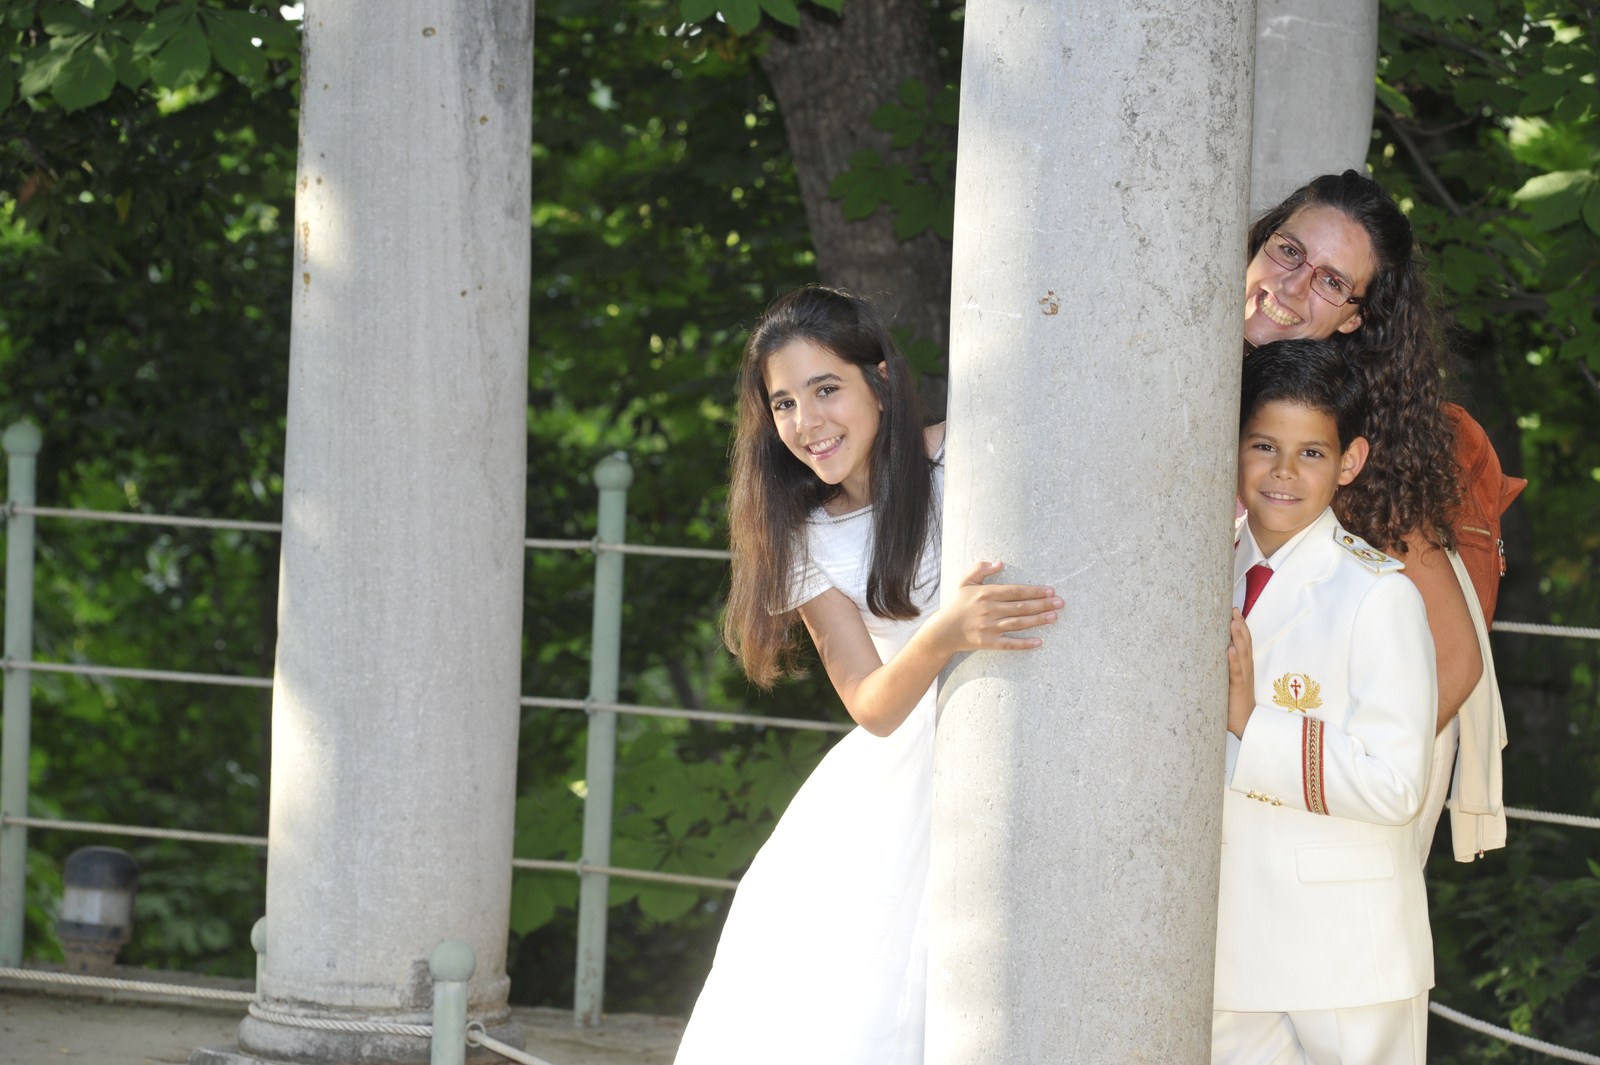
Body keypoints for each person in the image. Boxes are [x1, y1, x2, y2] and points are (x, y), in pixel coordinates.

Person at [673, 285, 1063, 1065]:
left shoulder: (966, 454)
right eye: (784, 403)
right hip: (898, 779)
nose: (806, 422)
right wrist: (943, 634)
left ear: (879, 379)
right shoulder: (805, 536)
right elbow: (870, 703)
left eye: (826, 389)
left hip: (1026, 734)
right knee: (857, 1012)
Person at [1242, 170, 1509, 861]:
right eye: (1289, 250)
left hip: (1318, 817)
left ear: (1354, 319)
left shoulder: (1358, 441)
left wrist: (1328, 797)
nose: (1291, 285)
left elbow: (1453, 660)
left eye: (1332, 282)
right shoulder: (1207, 378)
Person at [1215, 338, 1437, 1065]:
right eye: (1263, 446)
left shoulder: (1377, 595)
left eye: (1311, 452)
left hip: (1347, 953)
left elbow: (1397, 783)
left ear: (1350, 461)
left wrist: (1252, 722)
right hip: (1224, 945)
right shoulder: (1198, 568)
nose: (1283, 472)